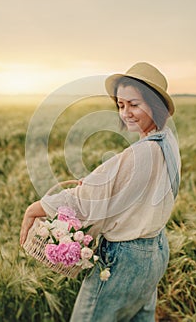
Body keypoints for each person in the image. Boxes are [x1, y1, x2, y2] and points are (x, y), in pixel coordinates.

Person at [20, 62, 181, 322]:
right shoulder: (168, 142)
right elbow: (128, 189)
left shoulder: (142, 153)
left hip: (125, 260)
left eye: (134, 104)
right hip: (155, 252)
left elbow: (85, 202)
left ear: (155, 105)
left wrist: (35, 208)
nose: (126, 113)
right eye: (120, 105)